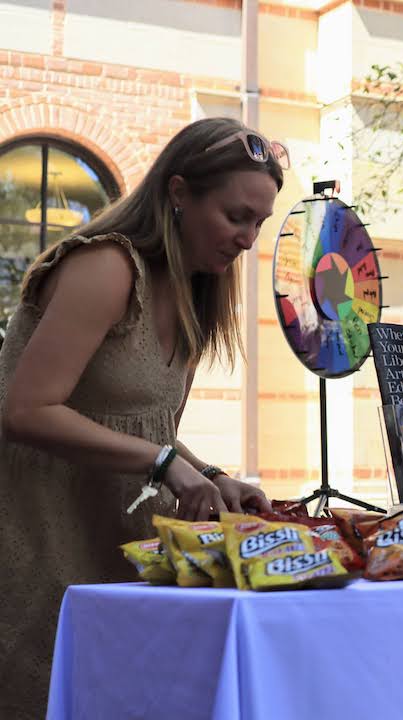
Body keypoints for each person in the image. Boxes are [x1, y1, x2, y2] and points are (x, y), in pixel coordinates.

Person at [0, 117, 280, 717]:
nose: (248, 239)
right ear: (178, 193)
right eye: (236, 217)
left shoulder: (195, 291)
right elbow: (25, 411)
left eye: (259, 222)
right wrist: (165, 464)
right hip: (39, 535)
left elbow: (147, 428)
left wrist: (212, 473)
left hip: (117, 537)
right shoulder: (105, 266)